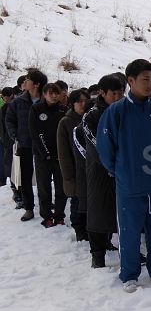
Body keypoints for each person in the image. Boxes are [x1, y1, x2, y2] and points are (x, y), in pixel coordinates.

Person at [97, 59, 151, 293]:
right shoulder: (116, 111)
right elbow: (105, 148)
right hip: (129, 184)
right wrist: (120, 170)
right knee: (129, 232)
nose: (149, 84)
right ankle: (129, 274)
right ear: (130, 81)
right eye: (144, 79)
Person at [80, 74, 124, 268]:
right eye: (114, 94)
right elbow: (96, 144)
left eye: (121, 93)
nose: (118, 97)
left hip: (123, 169)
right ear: (102, 93)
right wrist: (112, 162)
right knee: (98, 211)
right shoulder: (92, 115)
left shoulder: (126, 110)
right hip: (99, 169)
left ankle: (127, 251)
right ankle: (97, 254)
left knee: (124, 212)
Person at [6, 70, 49, 222]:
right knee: (25, 178)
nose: (25, 82)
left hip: (44, 146)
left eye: (28, 79)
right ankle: (29, 208)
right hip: (24, 144)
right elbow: (9, 120)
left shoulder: (46, 101)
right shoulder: (18, 102)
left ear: (36, 84)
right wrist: (15, 135)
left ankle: (46, 206)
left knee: (44, 178)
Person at [28, 82, 68, 228]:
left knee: (61, 188)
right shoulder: (36, 109)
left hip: (60, 155)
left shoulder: (64, 110)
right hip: (41, 155)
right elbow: (34, 132)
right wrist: (45, 153)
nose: (53, 96)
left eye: (56, 93)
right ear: (44, 94)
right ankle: (46, 216)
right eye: (50, 93)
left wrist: (61, 153)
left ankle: (59, 215)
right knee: (44, 188)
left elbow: (66, 133)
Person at [57, 88, 90, 240]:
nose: (83, 104)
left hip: (91, 169)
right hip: (75, 171)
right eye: (79, 101)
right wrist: (68, 176)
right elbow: (63, 152)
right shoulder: (66, 122)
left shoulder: (91, 118)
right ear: (72, 103)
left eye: (85, 101)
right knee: (78, 202)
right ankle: (80, 231)